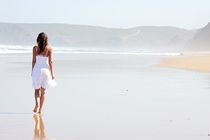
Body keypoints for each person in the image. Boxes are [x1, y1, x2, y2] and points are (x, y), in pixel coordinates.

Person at [31, 32, 56, 114]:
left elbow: (34, 61)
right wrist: (52, 74)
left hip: (37, 70)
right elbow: (50, 62)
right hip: (46, 71)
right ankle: (40, 110)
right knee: (43, 91)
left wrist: (32, 71)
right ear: (46, 40)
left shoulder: (35, 48)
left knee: (37, 90)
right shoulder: (49, 49)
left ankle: (37, 104)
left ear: (38, 39)